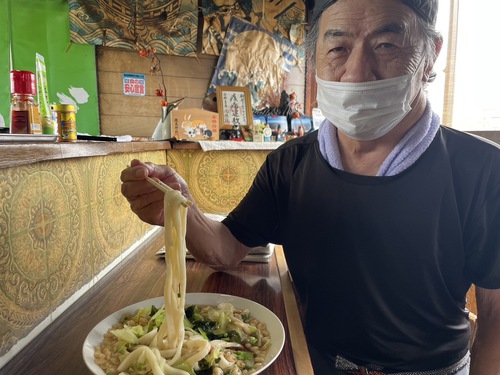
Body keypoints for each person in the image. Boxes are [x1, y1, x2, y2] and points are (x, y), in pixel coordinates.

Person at [121, 0, 500, 373]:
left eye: (386, 45)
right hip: (307, 360)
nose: (356, 72)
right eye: (338, 48)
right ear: (315, 58)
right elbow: (227, 248)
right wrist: (180, 208)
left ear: (431, 54)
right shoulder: (289, 163)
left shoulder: (483, 171)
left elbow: (496, 315)